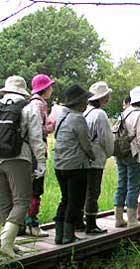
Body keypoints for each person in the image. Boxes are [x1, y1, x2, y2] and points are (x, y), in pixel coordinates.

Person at [0, 76, 46, 257]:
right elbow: (36, 138)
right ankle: (5, 243)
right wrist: (41, 162)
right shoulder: (29, 108)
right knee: (22, 201)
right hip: (18, 158)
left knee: (4, 202)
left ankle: (8, 241)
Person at [53, 84, 95, 244]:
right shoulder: (78, 118)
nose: (86, 104)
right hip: (76, 166)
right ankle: (68, 236)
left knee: (65, 199)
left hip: (60, 165)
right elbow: (86, 145)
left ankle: (59, 235)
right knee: (75, 201)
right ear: (78, 102)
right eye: (85, 100)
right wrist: (92, 157)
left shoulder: (62, 116)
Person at [113, 86, 140, 227]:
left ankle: (118, 218)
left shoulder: (124, 113)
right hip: (134, 154)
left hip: (120, 152)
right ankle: (132, 220)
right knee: (134, 185)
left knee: (121, 184)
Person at [23, 74, 55, 237]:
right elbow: (36, 130)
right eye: (50, 86)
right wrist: (51, 127)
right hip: (36, 152)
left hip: (24, 152)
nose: (52, 89)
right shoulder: (39, 105)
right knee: (36, 189)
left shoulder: (28, 103)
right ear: (45, 89)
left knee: (24, 190)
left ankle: (21, 225)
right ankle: (33, 225)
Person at [82, 81, 114, 234]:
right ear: (102, 98)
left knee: (83, 190)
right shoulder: (99, 114)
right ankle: (91, 224)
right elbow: (106, 139)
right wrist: (109, 153)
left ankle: (80, 221)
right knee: (93, 191)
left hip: (82, 158)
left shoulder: (84, 112)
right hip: (95, 158)